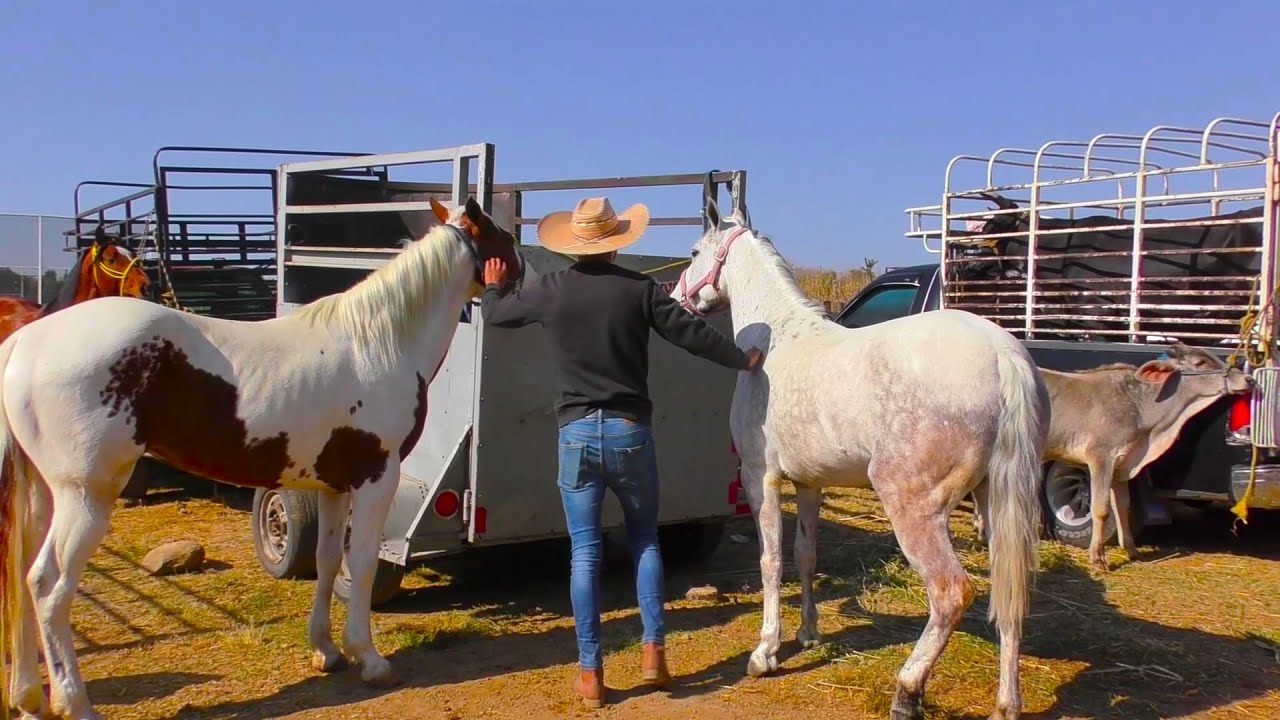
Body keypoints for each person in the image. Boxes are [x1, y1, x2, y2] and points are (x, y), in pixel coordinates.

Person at [479, 197, 763, 708]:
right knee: (646, 541)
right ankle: (654, 656)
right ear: (616, 243)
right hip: (630, 431)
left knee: (584, 553)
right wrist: (741, 359)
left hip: (576, 436)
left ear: (573, 244)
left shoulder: (550, 289)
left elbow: (498, 315)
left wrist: (494, 284)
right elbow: (693, 335)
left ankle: (591, 675)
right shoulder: (639, 290)